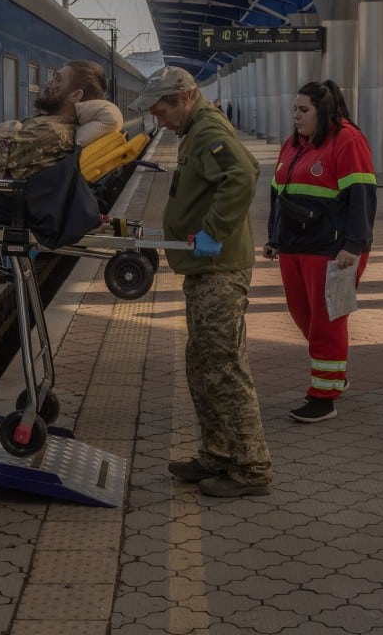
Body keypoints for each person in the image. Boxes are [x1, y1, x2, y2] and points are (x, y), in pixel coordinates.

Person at [130, 65, 273, 497]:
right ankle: (218, 454)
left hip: (219, 271)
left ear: (184, 98)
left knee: (224, 368)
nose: (160, 120)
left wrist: (213, 230)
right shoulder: (195, 131)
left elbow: (244, 174)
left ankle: (252, 469)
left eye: (162, 111)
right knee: (202, 366)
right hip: (202, 269)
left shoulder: (208, 128)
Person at [263, 80, 376, 423]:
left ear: (322, 110)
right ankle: (333, 375)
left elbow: (362, 195)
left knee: (328, 321)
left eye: (303, 110)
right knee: (305, 317)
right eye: (294, 109)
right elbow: (277, 193)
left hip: (334, 250)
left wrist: (354, 245)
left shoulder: (347, 141)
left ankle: (323, 397)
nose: (296, 116)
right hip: (295, 247)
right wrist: (273, 237)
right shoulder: (294, 144)